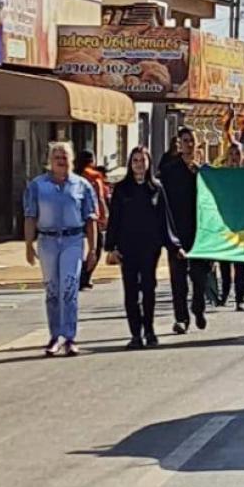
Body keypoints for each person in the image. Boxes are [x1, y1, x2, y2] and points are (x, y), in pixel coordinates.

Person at [105, 147, 185, 349]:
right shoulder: (122, 189)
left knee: (148, 288)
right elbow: (114, 219)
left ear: (149, 163)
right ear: (130, 164)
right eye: (135, 160)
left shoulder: (156, 188)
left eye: (143, 160)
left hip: (150, 247)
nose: (139, 164)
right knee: (131, 290)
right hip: (127, 247)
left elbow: (165, 220)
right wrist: (111, 247)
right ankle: (135, 334)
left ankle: (149, 330)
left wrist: (174, 246)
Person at [23, 142, 98, 357]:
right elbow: (30, 216)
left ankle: (70, 337)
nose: (61, 160)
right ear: (50, 160)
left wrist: (92, 249)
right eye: (56, 156)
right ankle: (55, 336)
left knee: (69, 288)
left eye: (64, 156)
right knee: (53, 290)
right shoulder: (38, 186)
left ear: (71, 159)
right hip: (47, 241)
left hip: (72, 240)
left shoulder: (82, 185)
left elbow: (90, 218)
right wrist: (28, 245)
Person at [160, 127, 210, 333]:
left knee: (200, 277)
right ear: (179, 144)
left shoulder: (204, 172)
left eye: (192, 141)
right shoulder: (169, 171)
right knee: (178, 279)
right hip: (176, 232)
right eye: (185, 140)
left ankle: (198, 308)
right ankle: (181, 318)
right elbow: (162, 201)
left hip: (200, 233)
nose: (189, 144)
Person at [75, 151, 109, 290]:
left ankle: (77, 275)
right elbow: (99, 198)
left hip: (76, 217)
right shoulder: (95, 177)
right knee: (96, 247)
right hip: (92, 217)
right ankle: (85, 276)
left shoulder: (74, 176)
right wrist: (104, 215)